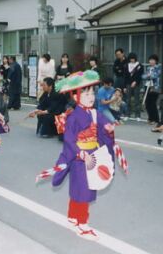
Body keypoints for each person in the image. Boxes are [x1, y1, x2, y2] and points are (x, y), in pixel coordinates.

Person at [50, 70, 119, 240]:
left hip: (92, 155)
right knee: (83, 190)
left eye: (92, 92)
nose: (91, 96)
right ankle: (82, 224)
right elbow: (69, 138)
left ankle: (73, 216)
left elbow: (104, 127)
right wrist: (80, 153)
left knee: (80, 188)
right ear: (76, 97)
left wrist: (109, 129)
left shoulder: (95, 113)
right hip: (80, 157)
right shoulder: (74, 116)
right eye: (86, 93)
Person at [142, 54, 161, 125]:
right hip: (147, 86)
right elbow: (143, 76)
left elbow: (156, 75)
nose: (151, 61)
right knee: (147, 103)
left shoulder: (159, 67)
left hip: (155, 87)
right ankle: (150, 118)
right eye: (150, 60)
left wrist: (150, 76)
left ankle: (156, 119)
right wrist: (148, 76)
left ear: (156, 61)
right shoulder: (148, 68)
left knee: (153, 103)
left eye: (153, 60)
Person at [124, 52, 143, 120]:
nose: (132, 60)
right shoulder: (126, 65)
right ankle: (127, 114)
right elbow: (125, 76)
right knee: (128, 99)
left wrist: (135, 82)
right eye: (131, 59)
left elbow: (140, 76)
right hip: (128, 84)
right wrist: (124, 86)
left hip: (136, 84)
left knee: (136, 100)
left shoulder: (139, 65)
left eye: (133, 59)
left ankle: (137, 115)